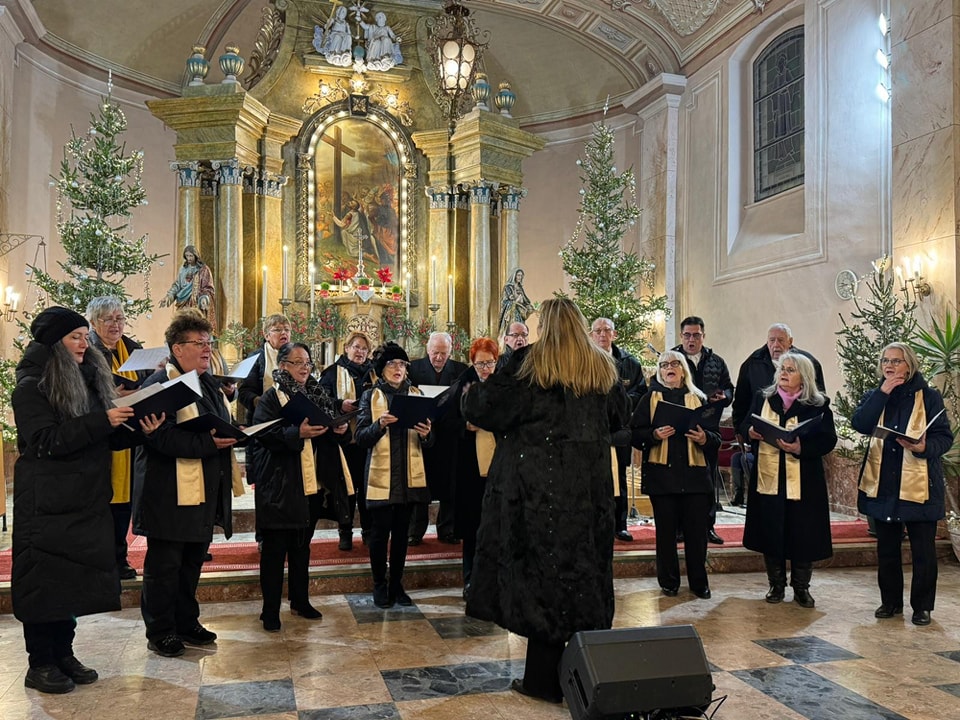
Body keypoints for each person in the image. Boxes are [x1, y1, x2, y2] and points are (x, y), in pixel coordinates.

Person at [463, 298, 623, 704]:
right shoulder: (602, 366)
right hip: (587, 495)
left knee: (542, 581)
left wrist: (472, 391)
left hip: (536, 493)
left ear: (545, 327)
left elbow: (485, 409)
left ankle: (541, 682)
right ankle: (583, 676)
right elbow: (620, 418)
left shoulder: (528, 364)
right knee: (582, 578)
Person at [12, 306, 160, 694]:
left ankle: (63, 653)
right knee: (44, 582)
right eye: (75, 337)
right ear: (54, 344)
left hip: (83, 497)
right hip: (45, 502)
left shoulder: (88, 378)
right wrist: (101, 420)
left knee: (69, 582)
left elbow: (102, 437)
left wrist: (141, 430)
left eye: (83, 336)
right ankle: (40, 662)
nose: (84, 344)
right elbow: (44, 441)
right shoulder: (31, 386)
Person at [133, 309, 244, 658]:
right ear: (177, 349)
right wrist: (208, 443)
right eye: (199, 343)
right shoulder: (158, 386)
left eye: (209, 342)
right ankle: (160, 630)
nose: (207, 348)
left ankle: (186, 621)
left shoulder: (207, 382)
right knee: (165, 565)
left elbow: (216, 422)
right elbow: (159, 438)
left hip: (202, 488)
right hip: (168, 490)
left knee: (192, 561)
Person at [250, 342, 351, 632]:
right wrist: (298, 433)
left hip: (310, 484)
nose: (305, 368)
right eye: (298, 362)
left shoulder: (317, 395)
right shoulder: (272, 398)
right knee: (274, 552)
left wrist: (339, 429)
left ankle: (300, 600)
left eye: (307, 362)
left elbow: (328, 432)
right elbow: (264, 435)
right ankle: (270, 610)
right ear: (283, 366)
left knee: (301, 547)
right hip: (280, 485)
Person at [851, 342, 953, 626]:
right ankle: (890, 602)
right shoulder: (875, 394)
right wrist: (882, 394)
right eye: (885, 361)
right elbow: (860, 423)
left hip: (919, 485)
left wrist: (923, 447)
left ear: (909, 365)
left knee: (923, 551)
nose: (889, 365)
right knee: (887, 548)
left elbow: (944, 437)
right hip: (883, 483)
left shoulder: (929, 397)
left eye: (896, 361)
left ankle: (922, 607)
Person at [740, 352, 837, 608]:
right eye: (782, 368)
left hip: (804, 481)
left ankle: (801, 588)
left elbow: (828, 439)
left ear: (803, 376)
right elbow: (745, 424)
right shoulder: (763, 398)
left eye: (790, 370)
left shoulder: (817, 404)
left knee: (803, 533)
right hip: (769, 479)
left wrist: (801, 447)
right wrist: (750, 432)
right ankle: (776, 585)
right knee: (771, 531)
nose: (784, 373)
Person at [631, 349, 719, 601]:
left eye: (674, 364)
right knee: (666, 534)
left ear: (683, 369)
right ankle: (669, 582)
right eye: (664, 365)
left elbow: (715, 438)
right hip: (662, 478)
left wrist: (704, 437)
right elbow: (635, 434)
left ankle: (699, 583)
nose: (669, 368)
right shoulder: (649, 399)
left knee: (697, 535)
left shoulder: (698, 398)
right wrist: (654, 435)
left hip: (695, 478)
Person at [355, 342, 434, 608]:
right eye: (392, 364)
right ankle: (380, 584)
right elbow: (361, 437)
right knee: (379, 535)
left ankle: (397, 584)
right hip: (382, 479)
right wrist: (379, 425)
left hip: (408, 480)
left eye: (402, 364)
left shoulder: (416, 394)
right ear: (382, 369)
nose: (398, 369)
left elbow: (430, 442)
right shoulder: (370, 396)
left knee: (401, 535)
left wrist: (427, 435)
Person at [87, 296, 153, 580]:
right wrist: (114, 395)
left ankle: (119, 556)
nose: (116, 325)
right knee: (104, 500)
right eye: (108, 320)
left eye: (120, 319)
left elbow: (146, 383)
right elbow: (87, 391)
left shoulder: (134, 349)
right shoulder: (88, 350)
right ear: (93, 322)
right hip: (102, 436)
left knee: (124, 503)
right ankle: (102, 559)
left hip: (131, 434)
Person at [672, 315, 734, 543]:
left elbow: (729, 388)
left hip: (708, 428)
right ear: (681, 336)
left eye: (696, 335)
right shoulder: (673, 359)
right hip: (680, 428)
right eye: (687, 335)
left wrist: (724, 396)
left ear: (703, 336)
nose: (691, 340)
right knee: (680, 480)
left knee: (708, 480)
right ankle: (679, 528)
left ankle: (708, 527)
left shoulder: (716, 361)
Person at [589, 317, 648, 543]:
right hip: (592, 430)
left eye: (607, 330)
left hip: (619, 428)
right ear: (591, 335)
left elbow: (640, 392)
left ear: (614, 334)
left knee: (619, 478)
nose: (602, 334)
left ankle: (619, 525)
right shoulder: (584, 360)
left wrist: (618, 403)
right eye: (597, 331)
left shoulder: (629, 362)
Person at [406, 332, 468, 545]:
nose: (439, 358)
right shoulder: (413, 369)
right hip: (421, 434)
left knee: (450, 485)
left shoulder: (461, 370)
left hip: (451, 436)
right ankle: (415, 531)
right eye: (435, 353)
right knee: (420, 483)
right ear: (427, 350)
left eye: (444, 353)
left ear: (450, 351)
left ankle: (447, 529)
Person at [319, 331, 378, 550]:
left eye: (364, 348)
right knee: (346, 490)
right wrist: (339, 404)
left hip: (368, 442)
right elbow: (321, 400)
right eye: (356, 347)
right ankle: (345, 531)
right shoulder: (332, 373)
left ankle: (368, 531)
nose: (360, 352)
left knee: (367, 489)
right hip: (344, 443)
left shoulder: (374, 373)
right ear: (346, 348)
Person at [452, 338, 499, 597]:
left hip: (499, 465)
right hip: (470, 466)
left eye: (489, 362)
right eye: (480, 363)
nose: (485, 368)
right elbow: (448, 421)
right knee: (473, 526)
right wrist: (466, 425)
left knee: (497, 525)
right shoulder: (462, 384)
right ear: (472, 363)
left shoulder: (504, 385)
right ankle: (470, 579)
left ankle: (495, 580)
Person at [732, 322, 825, 433]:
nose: (776, 345)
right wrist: (741, 430)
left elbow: (819, 400)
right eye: (772, 340)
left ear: (790, 341)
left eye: (781, 340)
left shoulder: (808, 364)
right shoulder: (752, 363)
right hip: (762, 435)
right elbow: (741, 401)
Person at [237, 314, 292, 419]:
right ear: (266, 336)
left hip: (292, 417)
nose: (284, 332)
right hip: (264, 417)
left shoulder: (297, 355)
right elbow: (244, 393)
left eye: (287, 329)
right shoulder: (255, 358)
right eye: (278, 330)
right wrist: (260, 402)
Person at [160, 245, 217, 332]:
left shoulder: (203, 269)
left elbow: (208, 288)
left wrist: (204, 298)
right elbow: (177, 285)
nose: (189, 258)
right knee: (183, 327)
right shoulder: (183, 269)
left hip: (196, 303)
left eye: (191, 256)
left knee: (195, 326)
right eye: (187, 256)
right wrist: (169, 296)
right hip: (183, 302)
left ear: (196, 255)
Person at [497, 268, 534, 339]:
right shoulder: (508, 287)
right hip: (511, 313)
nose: (520, 277)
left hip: (520, 313)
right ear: (514, 275)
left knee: (520, 329)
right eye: (518, 275)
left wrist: (529, 306)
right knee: (512, 330)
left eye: (521, 276)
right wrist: (516, 301)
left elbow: (526, 301)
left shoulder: (520, 288)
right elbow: (506, 301)